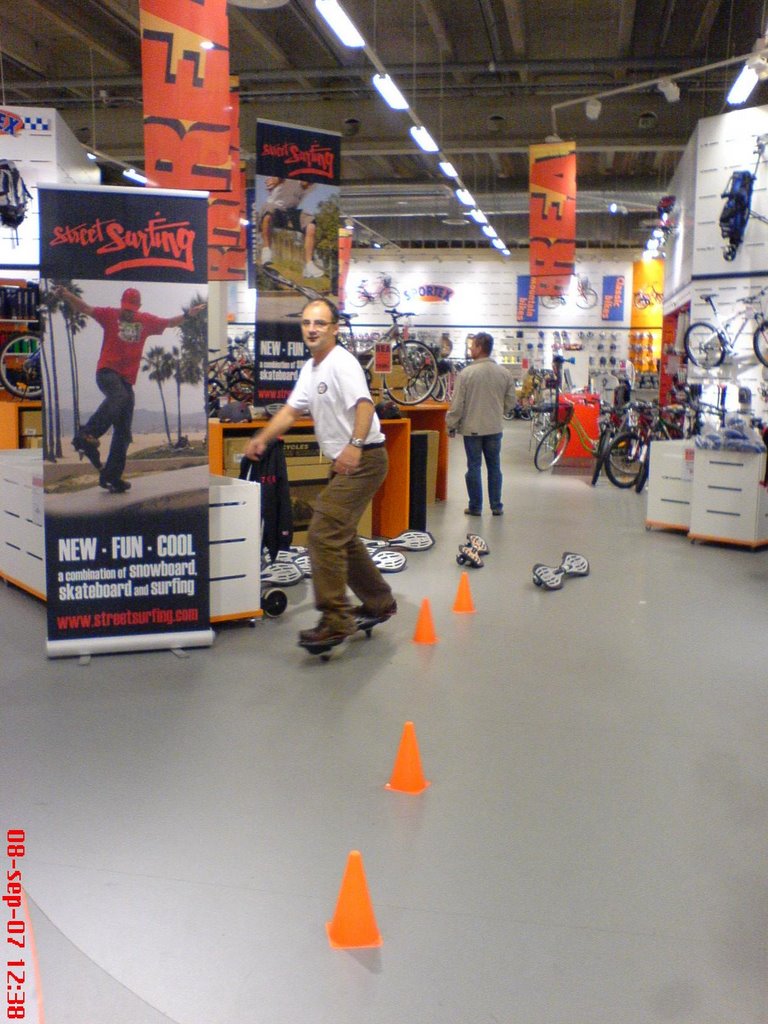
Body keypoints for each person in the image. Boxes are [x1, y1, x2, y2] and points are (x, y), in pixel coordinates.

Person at [244, 297, 396, 647]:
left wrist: (355, 445)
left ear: (335, 328)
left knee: (321, 535)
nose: (312, 329)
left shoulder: (341, 363)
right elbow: (290, 411)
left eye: (320, 323)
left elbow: (364, 404)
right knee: (340, 534)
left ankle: (335, 619)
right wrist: (262, 438)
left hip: (365, 458)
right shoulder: (310, 368)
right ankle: (379, 601)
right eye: (306, 323)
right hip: (346, 460)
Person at [55, 285, 206, 494]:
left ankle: (111, 477)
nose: (127, 313)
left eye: (131, 310)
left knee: (124, 432)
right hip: (107, 373)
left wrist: (188, 315)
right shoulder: (109, 315)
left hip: (126, 381)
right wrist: (67, 294)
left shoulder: (146, 321)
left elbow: (170, 322)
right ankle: (87, 434)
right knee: (119, 396)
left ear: (138, 308)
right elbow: (85, 309)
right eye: (125, 309)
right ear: (121, 305)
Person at [446, 331, 516, 517]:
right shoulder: (504, 373)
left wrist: (451, 424)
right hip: (494, 427)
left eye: (472, 345)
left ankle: (476, 506)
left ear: (479, 347)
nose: (470, 348)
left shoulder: (466, 374)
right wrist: (497, 412)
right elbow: (510, 402)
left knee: (474, 467)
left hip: (472, 429)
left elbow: (458, 403)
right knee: (494, 467)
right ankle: (496, 506)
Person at [259, 177, 323, 279]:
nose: (308, 186)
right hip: (275, 211)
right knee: (269, 210)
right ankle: (266, 250)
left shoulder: (313, 185)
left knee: (310, 223)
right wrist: (275, 181)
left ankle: (308, 264)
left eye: (310, 183)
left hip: (289, 213)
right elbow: (280, 178)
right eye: (307, 182)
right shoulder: (290, 180)